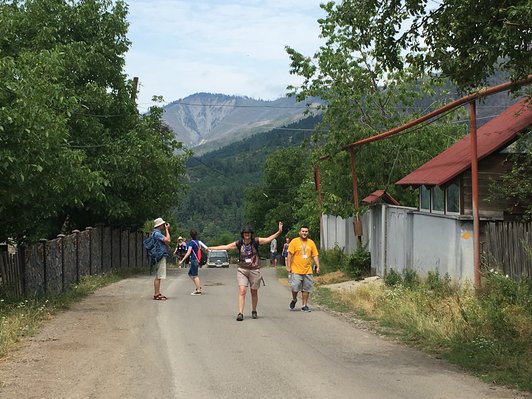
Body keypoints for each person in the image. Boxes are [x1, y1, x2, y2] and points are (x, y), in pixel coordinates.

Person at [209, 222, 283, 321]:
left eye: (248, 233)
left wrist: (279, 231)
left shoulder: (256, 241)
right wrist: (210, 248)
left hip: (254, 270)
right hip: (242, 270)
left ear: (251, 234)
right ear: (242, 234)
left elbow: (268, 239)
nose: (247, 234)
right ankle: (240, 313)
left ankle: (254, 310)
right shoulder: (239, 243)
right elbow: (226, 247)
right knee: (242, 291)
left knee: (254, 292)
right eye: (245, 233)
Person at [286, 225, 320, 312]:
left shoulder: (311, 243)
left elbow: (315, 255)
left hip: (307, 270)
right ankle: (294, 299)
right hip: (296, 269)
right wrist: (288, 266)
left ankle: (304, 305)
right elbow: (289, 255)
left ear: (308, 233)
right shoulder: (294, 242)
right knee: (295, 287)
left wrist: (318, 266)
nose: (304, 233)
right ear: (299, 232)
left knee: (306, 289)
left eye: (306, 231)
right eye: (303, 231)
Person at [179, 230, 208, 295]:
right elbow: (206, 248)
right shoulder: (198, 242)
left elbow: (188, 253)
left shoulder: (191, 243)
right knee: (190, 273)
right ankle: (198, 287)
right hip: (197, 260)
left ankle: (198, 290)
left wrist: (182, 260)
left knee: (195, 275)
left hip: (194, 260)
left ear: (190, 236)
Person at [152, 217, 171, 301]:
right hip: (160, 255)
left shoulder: (154, 233)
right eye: (163, 224)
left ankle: (157, 292)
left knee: (158, 276)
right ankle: (157, 294)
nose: (163, 225)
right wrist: (167, 230)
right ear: (159, 225)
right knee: (159, 276)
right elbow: (168, 240)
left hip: (156, 255)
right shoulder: (157, 234)